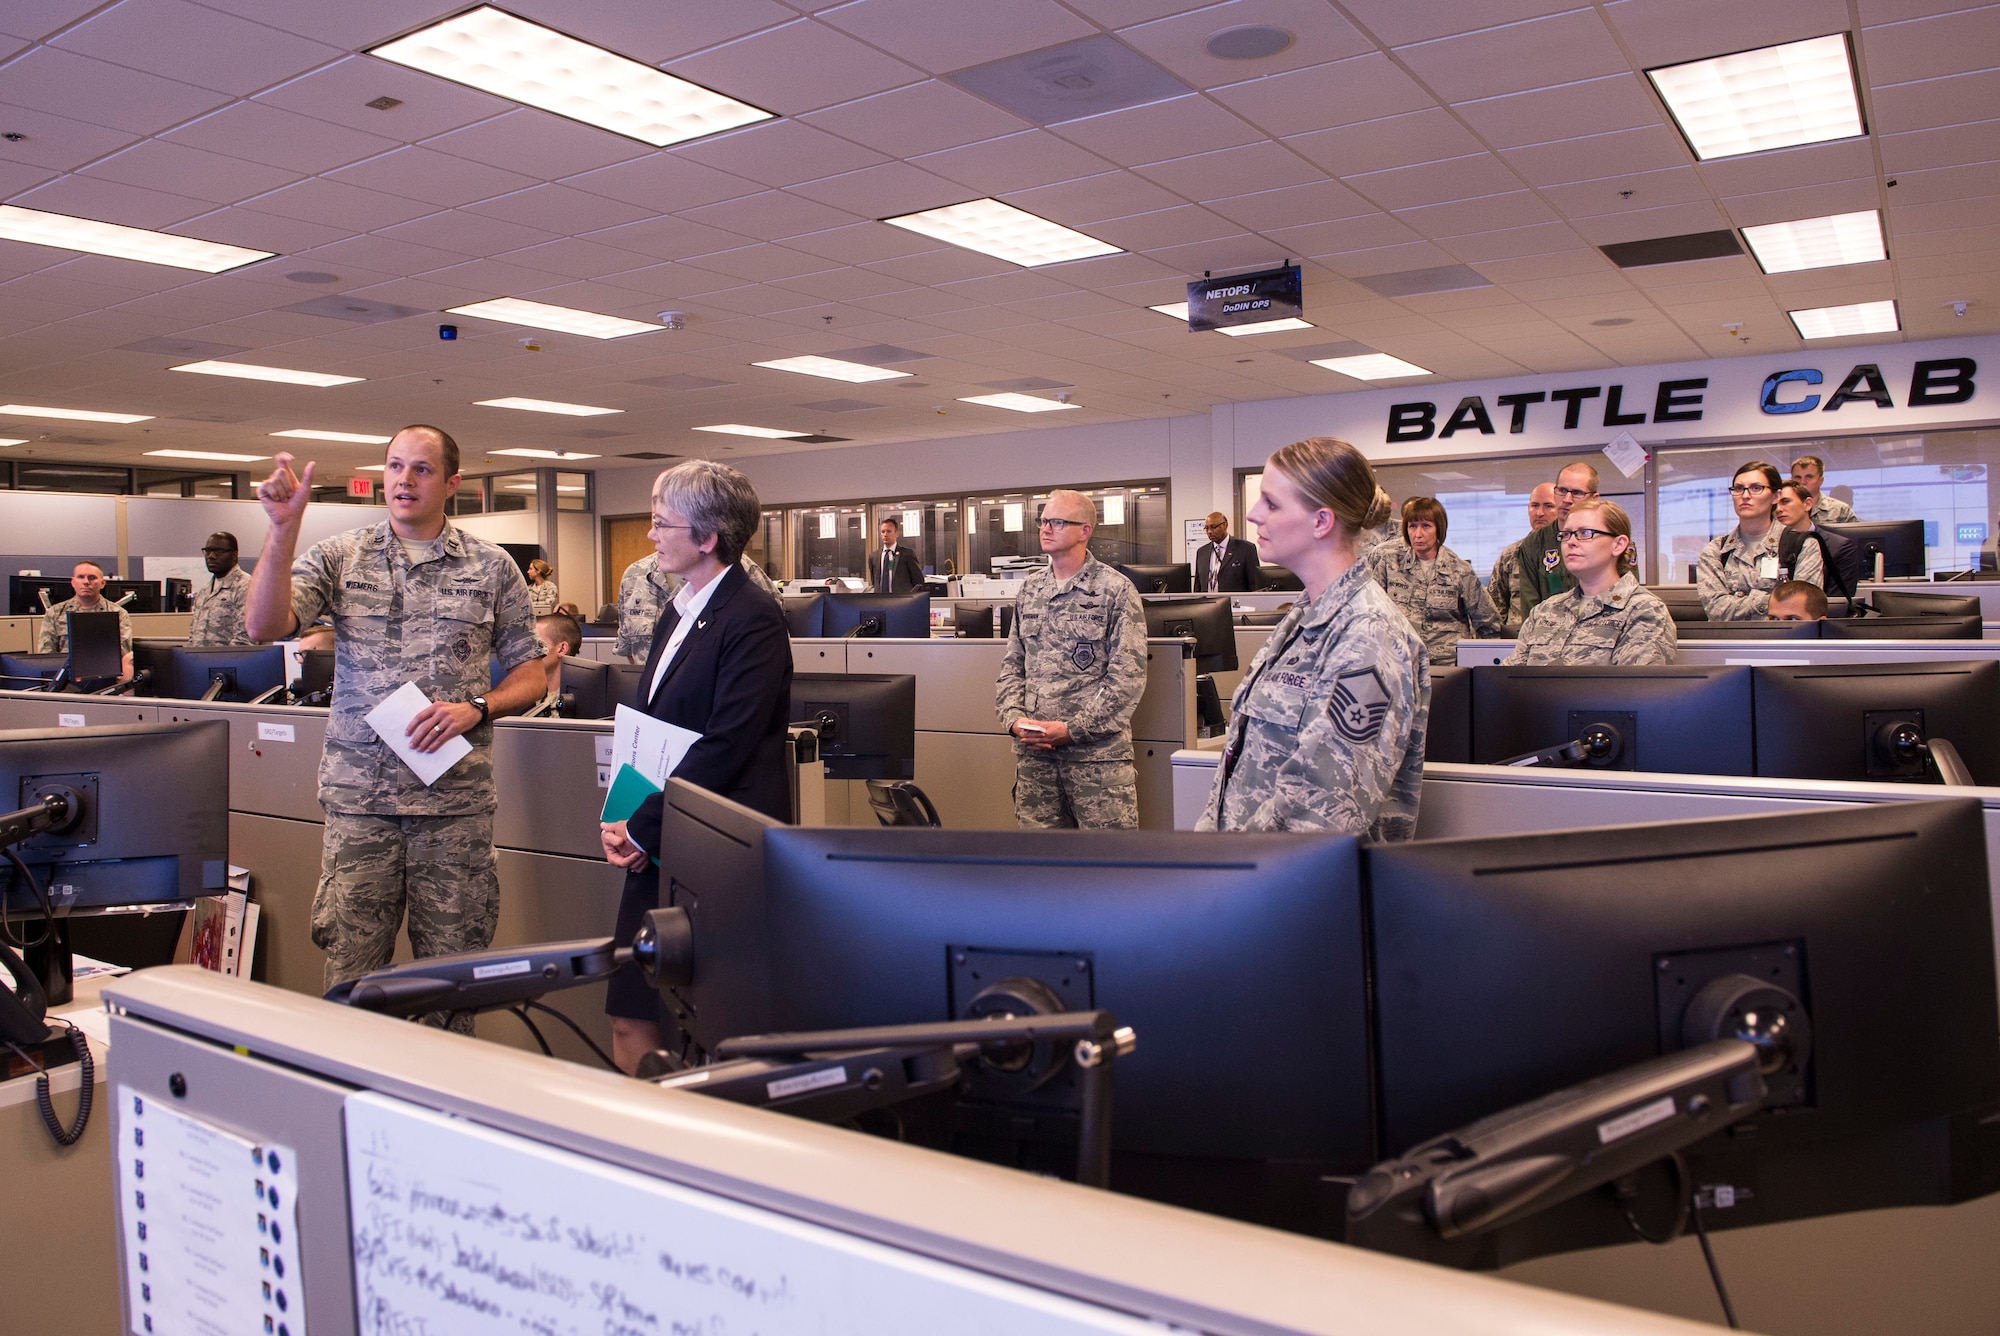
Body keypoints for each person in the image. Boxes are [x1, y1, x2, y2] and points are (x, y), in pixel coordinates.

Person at [243, 425, 547, 1027]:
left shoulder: (491, 567)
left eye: (422, 470)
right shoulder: (340, 555)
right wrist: (281, 530)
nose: (404, 481)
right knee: (353, 984)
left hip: (453, 807)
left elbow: (531, 676)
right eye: (394, 467)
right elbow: (263, 625)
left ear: (453, 483)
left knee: (451, 989)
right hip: (362, 804)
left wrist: (477, 707)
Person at [598, 461, 793, 1073]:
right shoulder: (677, 610)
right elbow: (660, 729)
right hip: (660, 836)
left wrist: (640, 825)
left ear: (708, 538)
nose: (651, 535)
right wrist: (627, 815)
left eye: (661, 523)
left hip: (713, 847)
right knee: (630, 1008)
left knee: (704, 1020)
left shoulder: (753, 616)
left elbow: (725, 744)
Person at [1196, 437, 1428, 839]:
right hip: (1247, 875)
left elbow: (1321, 809)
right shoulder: (1304, 617)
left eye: (1271, 503)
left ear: (1321, 521)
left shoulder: (1368, 634)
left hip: (1295, 886)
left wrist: (1222, 871)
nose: (1252, 515)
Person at [995, 489, 1147, 829]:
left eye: (1058, 521)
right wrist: (1014, 720)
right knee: (1041, 871)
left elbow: (1127, 680)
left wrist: (1071, 730)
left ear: (1085, 531)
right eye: (1044, 521)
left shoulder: (1116, 590)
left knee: (1107, 870)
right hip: (1035, 760)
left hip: (1097, 763)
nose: (1046, 528)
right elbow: (1011, 668)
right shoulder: (1030, 590)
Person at [1506, 502, 1676, 665]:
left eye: (1585, 533)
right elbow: (1509, 682)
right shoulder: (1544, 611)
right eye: (1566, 534)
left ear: (1618, 545)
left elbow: (1635, 690)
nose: (1571, 542)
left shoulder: (1644, 611)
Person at [1365, 496, 1502, 665]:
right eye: (1412, 526)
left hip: (1448, 666)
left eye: (1426, 526)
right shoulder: (1389, 562)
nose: (1418, 534)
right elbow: (1373, 611)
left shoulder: (1459, 570)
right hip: (1402, 662)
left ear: (1439, 529)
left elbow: (1488, 623)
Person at [1510, 462, 1600, 627]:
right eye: (1562, 491)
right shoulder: (1534, 543)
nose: (1567, 499)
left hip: (1601, 637)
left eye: (1577, 493)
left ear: (1594, 498)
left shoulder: (1607, 540)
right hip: (1551, 640)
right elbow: (1531, 611)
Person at [1697, 461, 1788, 620]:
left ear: (1776, 496)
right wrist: (1770, 601)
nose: (1745, 495)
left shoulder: (1799, 545)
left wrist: (1738, 599)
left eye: (1756, 488)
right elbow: (1716, 610)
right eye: (1738, 489)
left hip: (1784, 642)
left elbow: (1802, 607)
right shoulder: (1716, 551)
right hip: (1731, 642)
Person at [38, 559, 133, 678]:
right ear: (73, 582)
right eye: (81, 577)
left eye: (92, 577)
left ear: (102, 583)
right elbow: (46, 654)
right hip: (65, 677)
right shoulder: (55, 613)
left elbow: (124, 654)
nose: (86, 582)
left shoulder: (118, 613)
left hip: (106, 676)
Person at [1490, 483, 1559, 634]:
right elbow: (1495, 608)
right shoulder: (1510, 554)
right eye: (1534, 505)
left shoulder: (1571, 552)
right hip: (1517, 641)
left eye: (1548, 506)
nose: (1540, 513)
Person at [1774, 481, 1859, 601]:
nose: (1778, 509)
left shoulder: (1840, 547)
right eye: (1774, 504)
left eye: (1785, 501)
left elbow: (1838, 603)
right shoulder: (1769, 545)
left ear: (1807, 504)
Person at [187, 532, 255, 647]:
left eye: (218, 551)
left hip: (230, 662)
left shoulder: (246, 586)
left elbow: (244, 640)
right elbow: (193, 636)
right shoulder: (204, 591)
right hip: (199, 662)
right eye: (208, 551)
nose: (211, 556)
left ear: (234, 555)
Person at [532, 610, 584, 715]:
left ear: (562, 649)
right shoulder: (527, 693)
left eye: (538, 644)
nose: (530, 652)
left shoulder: (581, 699)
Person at [1195, 511, 1259, 593]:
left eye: (1213, 527)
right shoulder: (1201, 552)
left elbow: (1254, 584)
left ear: (1225, 525)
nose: (1209, 532)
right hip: (1207, 604)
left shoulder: (1246, 549)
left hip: (1235, 603)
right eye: (1206, 528)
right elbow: (1198, 586)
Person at [1792, 454, 1859, 524]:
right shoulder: (1783, 510)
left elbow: (1855, 534)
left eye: (1809, 477)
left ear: (1820, 481)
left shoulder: (1841, 510)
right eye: (1798, 477)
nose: (1803, 482)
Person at [871, 517, 924, 593]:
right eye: (883, 532)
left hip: (901, 600)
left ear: (896, 533)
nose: (885, 534)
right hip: (880, 601)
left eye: (889, 531)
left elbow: (918, 581)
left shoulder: (907, 554)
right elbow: (875, 582)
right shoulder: (874, 556)